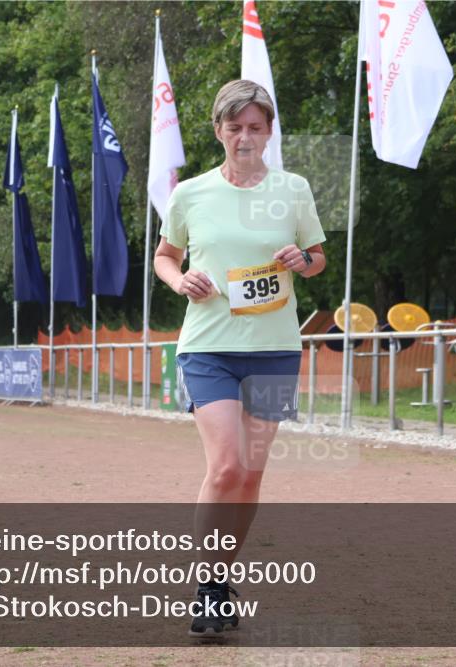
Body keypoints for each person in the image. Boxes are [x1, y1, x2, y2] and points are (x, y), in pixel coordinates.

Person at [153, 80, 326, 638]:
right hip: (208, 346)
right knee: (226, 465)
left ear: (269, 132)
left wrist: (302, 260)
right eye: (235, 127)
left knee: (251, 474)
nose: (245, 137)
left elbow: (317, 257)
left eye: (256, 127)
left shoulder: (293, 189)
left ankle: (222, 579)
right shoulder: (191, 194)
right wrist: (181, 280)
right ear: (218, 130)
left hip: (275, 351)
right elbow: (164, 256)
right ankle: (206, 587)